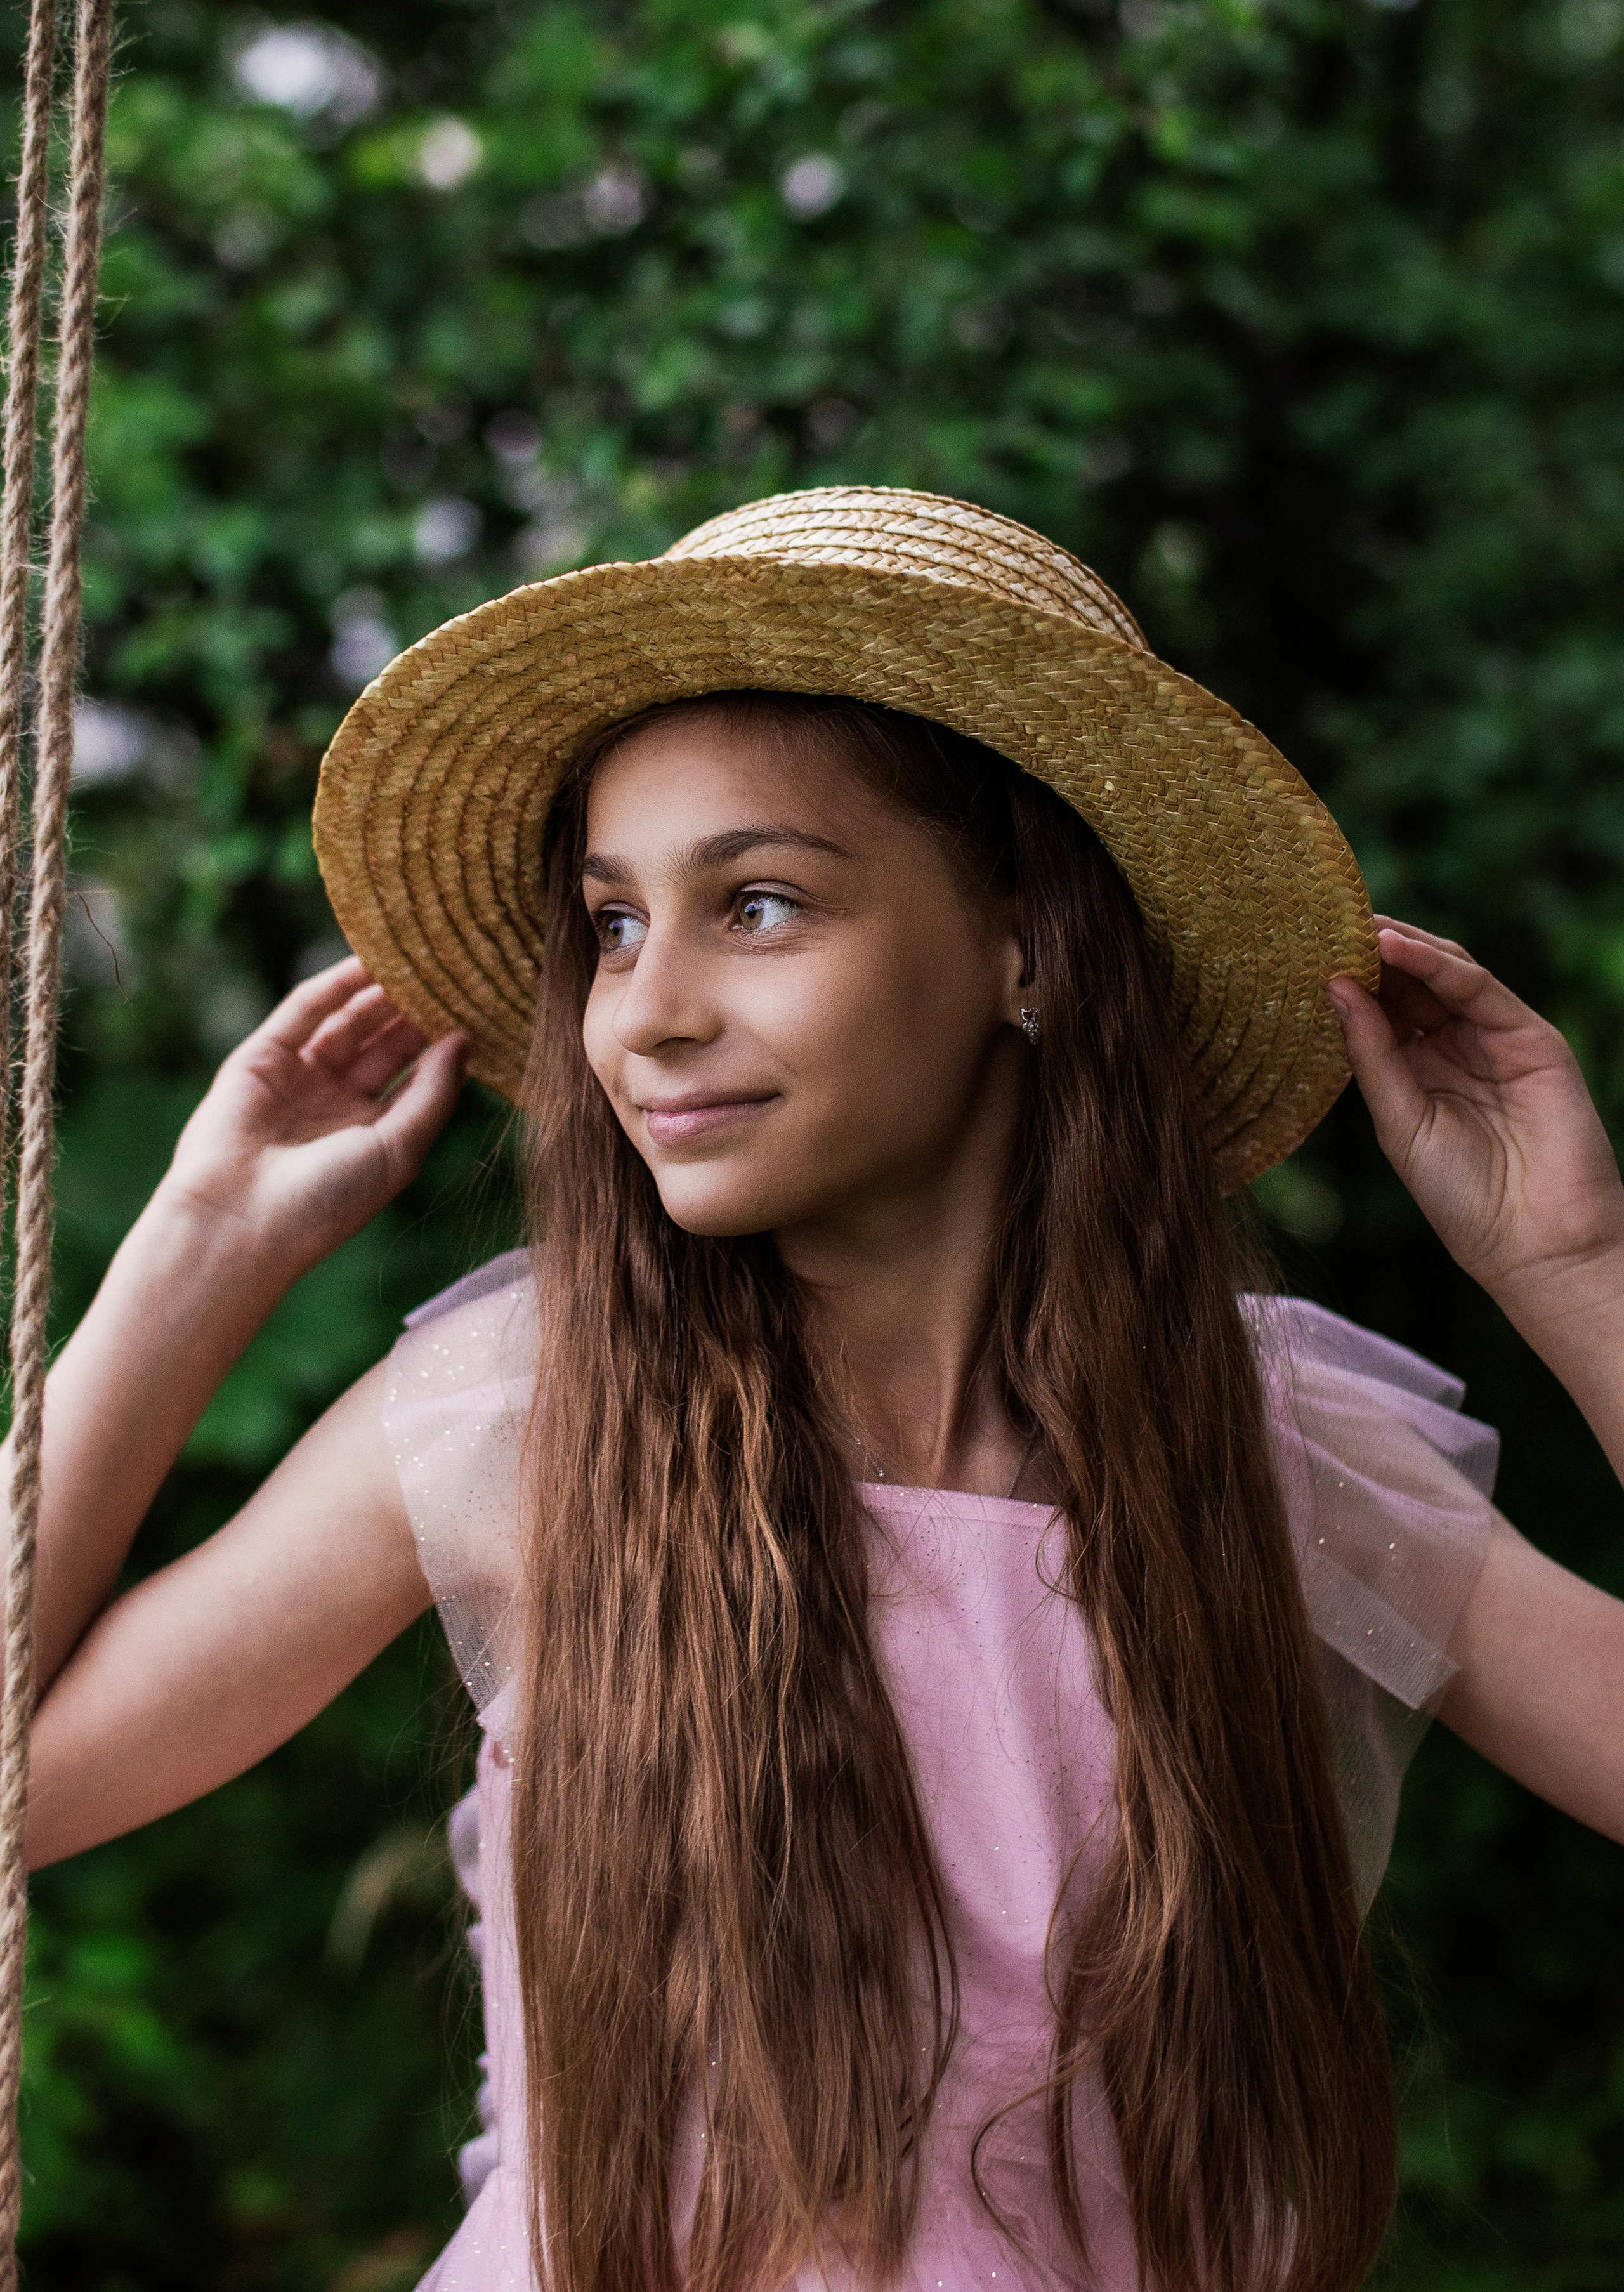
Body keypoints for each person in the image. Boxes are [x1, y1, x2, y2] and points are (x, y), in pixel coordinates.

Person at [16, 487, 1624, 2292]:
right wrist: (203, 1245)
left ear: (1026, 948)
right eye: (612, 925)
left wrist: (1576, 1278)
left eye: (758, 904)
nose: (645, 1014)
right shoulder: (537, 1423)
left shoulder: (1267, 1467)